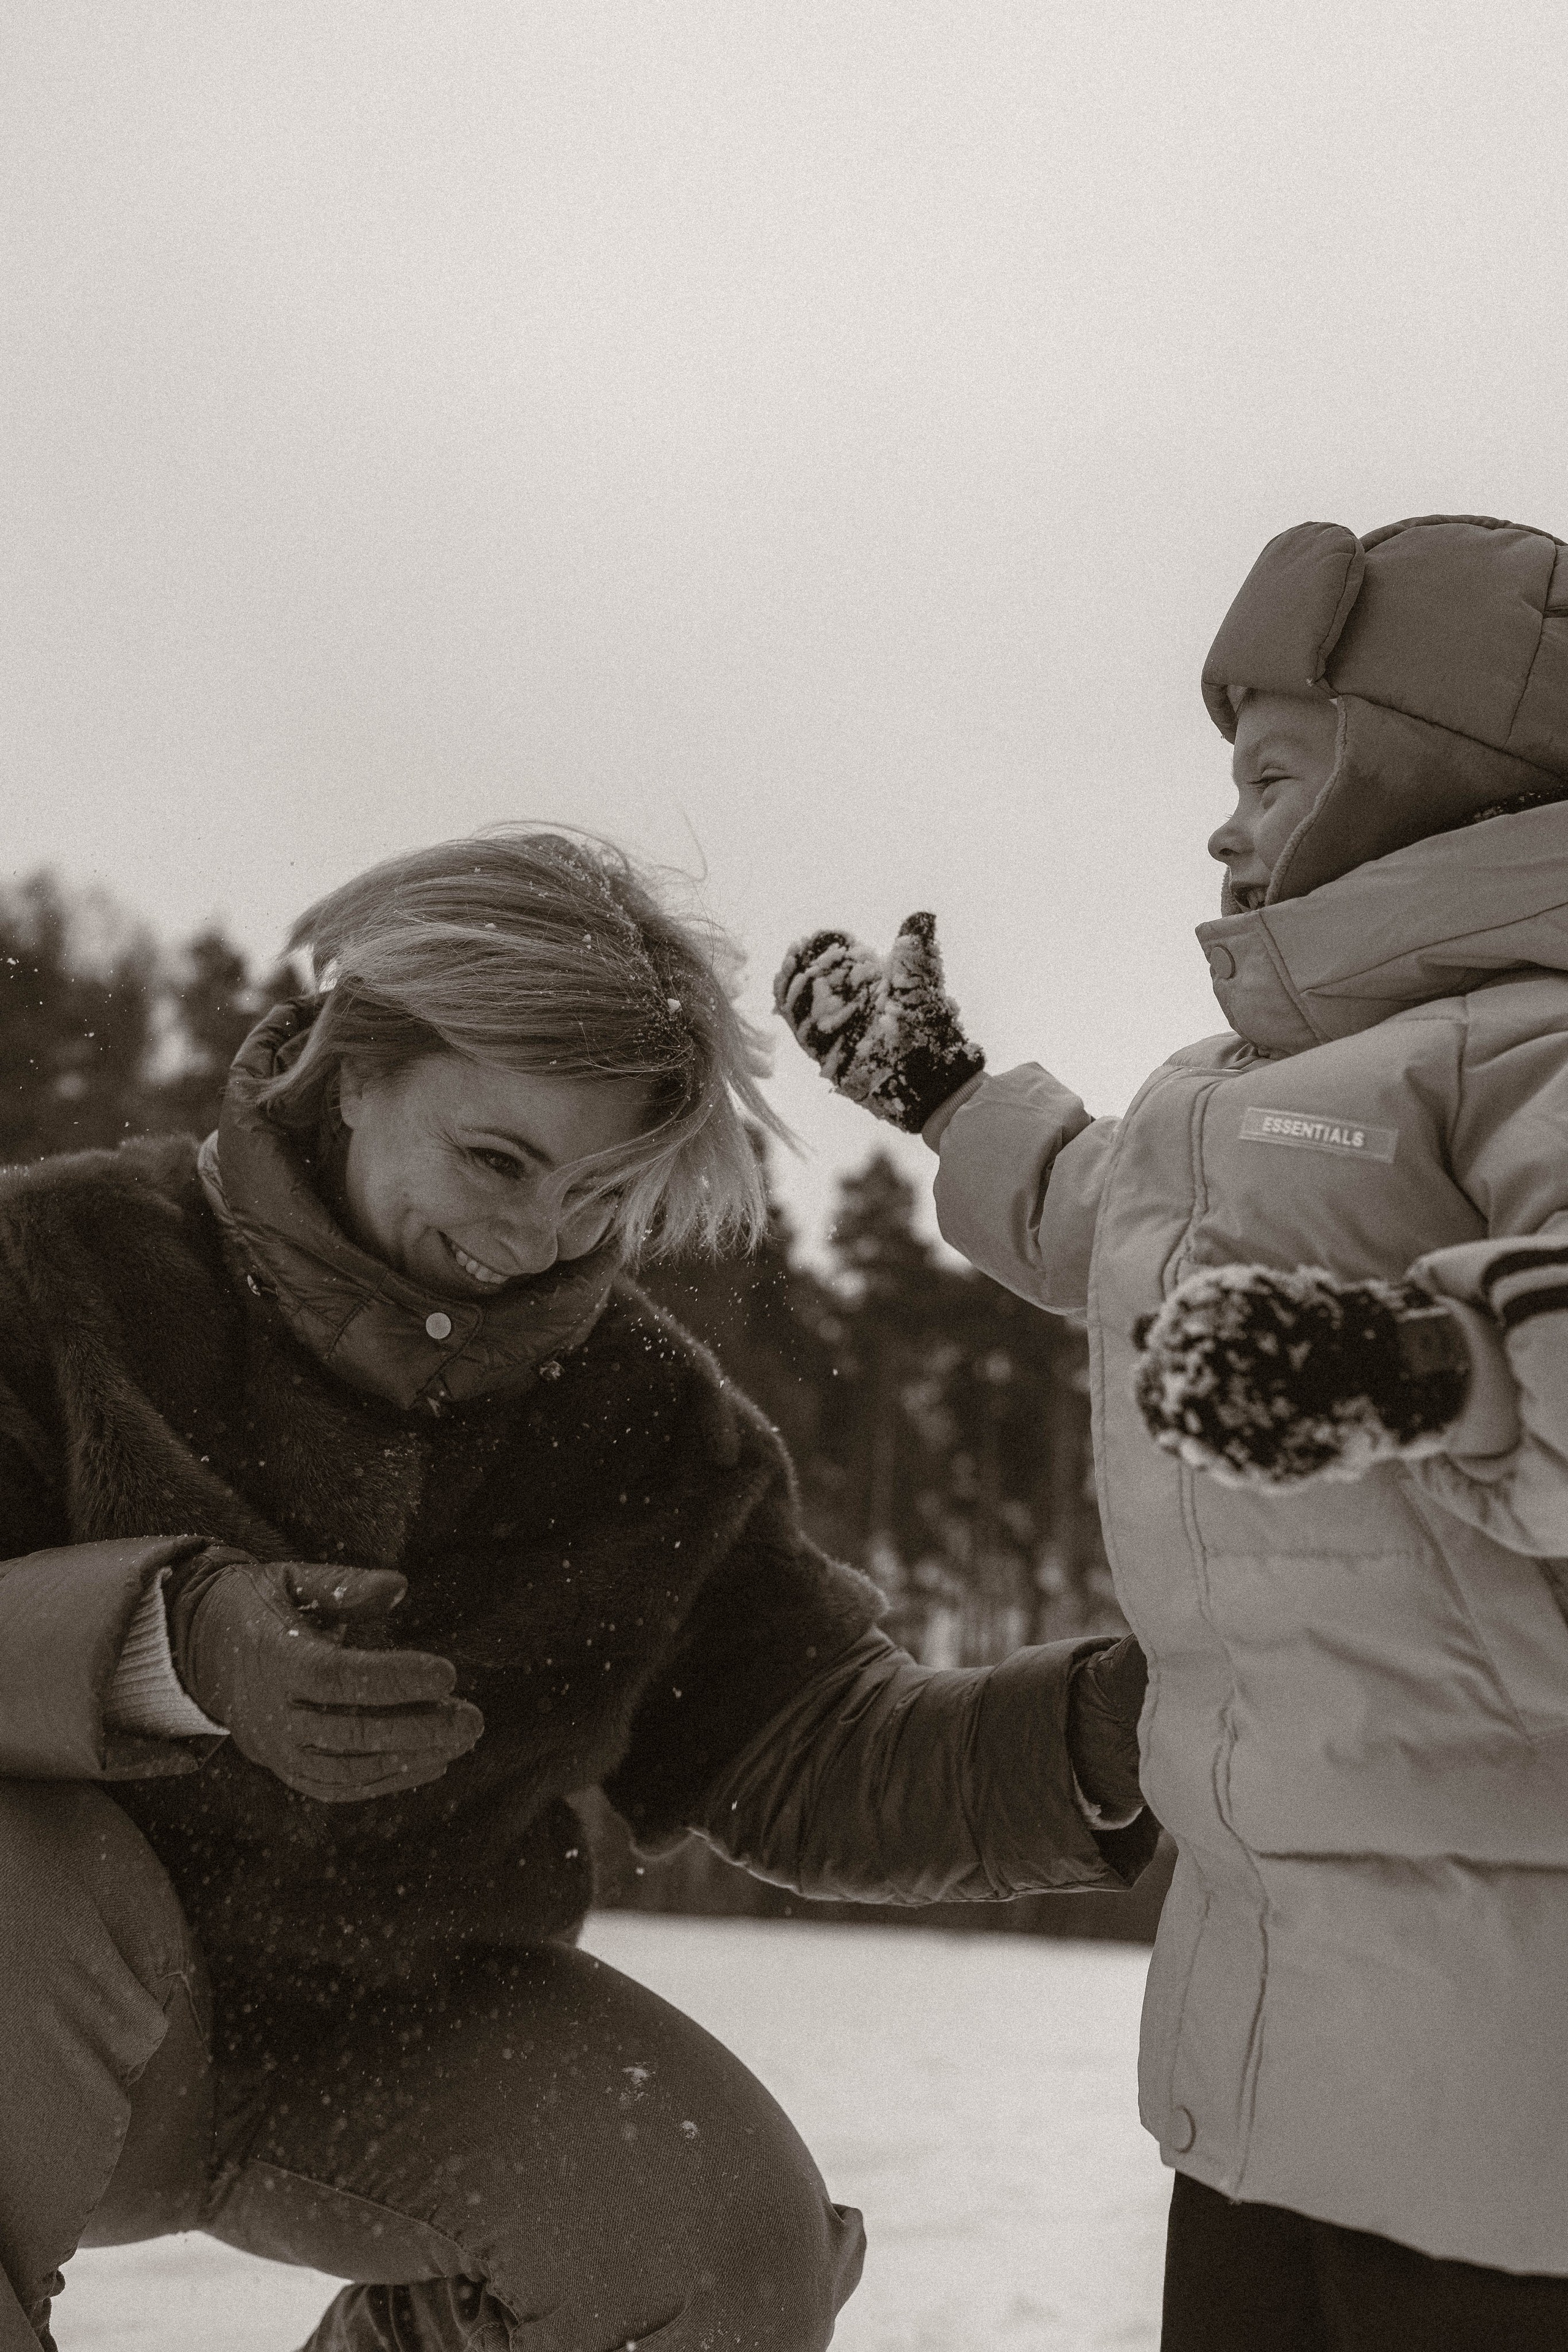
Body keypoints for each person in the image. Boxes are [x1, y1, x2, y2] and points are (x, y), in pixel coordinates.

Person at [0, 827, 1155, 2352]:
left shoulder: (643, 1424)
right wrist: (172, 1645)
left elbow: (804, 1744)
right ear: (354, 1069)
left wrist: (1109, 1731)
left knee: (721, 2246)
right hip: (40, 2002)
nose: (536, 1235)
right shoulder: (56, 1264)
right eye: (497, 1160)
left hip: (369, 2033)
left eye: (602, 1194)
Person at [775, 513, 1568, 2351]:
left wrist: (1410, 1365)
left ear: (1433, 793)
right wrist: (947, 1097)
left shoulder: (1528, 1051)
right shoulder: (1233, 1094)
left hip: (1512, 2002)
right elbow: (1101, 1213)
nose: (1223, 829)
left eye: (1274, 779)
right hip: (1264, 1977)